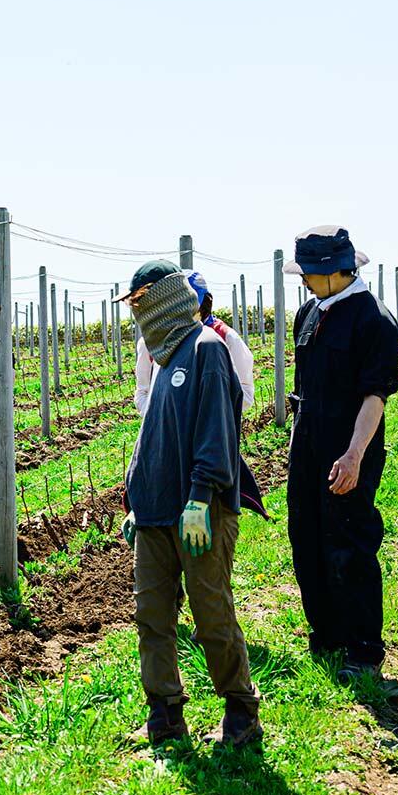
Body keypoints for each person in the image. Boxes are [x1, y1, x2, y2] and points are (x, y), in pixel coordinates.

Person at [120, 261, 261, 748]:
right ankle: (164, 715)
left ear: (161, 299)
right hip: (155, 512)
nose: (135, 314)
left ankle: (241, 710)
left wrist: (200, 498)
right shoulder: (163, 356)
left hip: (198, 511)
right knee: (152, 616)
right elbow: (153, 436)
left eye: (139, 302)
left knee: (210, 613)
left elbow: (217, 434)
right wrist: (136, 498)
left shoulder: (206, 350)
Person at [284, 226, 398, 682]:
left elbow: (374, 396)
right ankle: (326, 635)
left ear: (335, 271)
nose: (304, 281)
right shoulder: (308, 313)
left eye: (310, 273)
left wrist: (354, 454)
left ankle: (363, 648)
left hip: (349, 445)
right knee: (307, 535)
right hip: (308, 442)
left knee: (348, 541)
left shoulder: (373, 319)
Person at [134, 271, 254, 415]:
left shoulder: (226, 337)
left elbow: (245, 395)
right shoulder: (150, 343)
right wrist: (161, 417)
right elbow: (143, 392)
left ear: (204, 305)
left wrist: (203, 415)